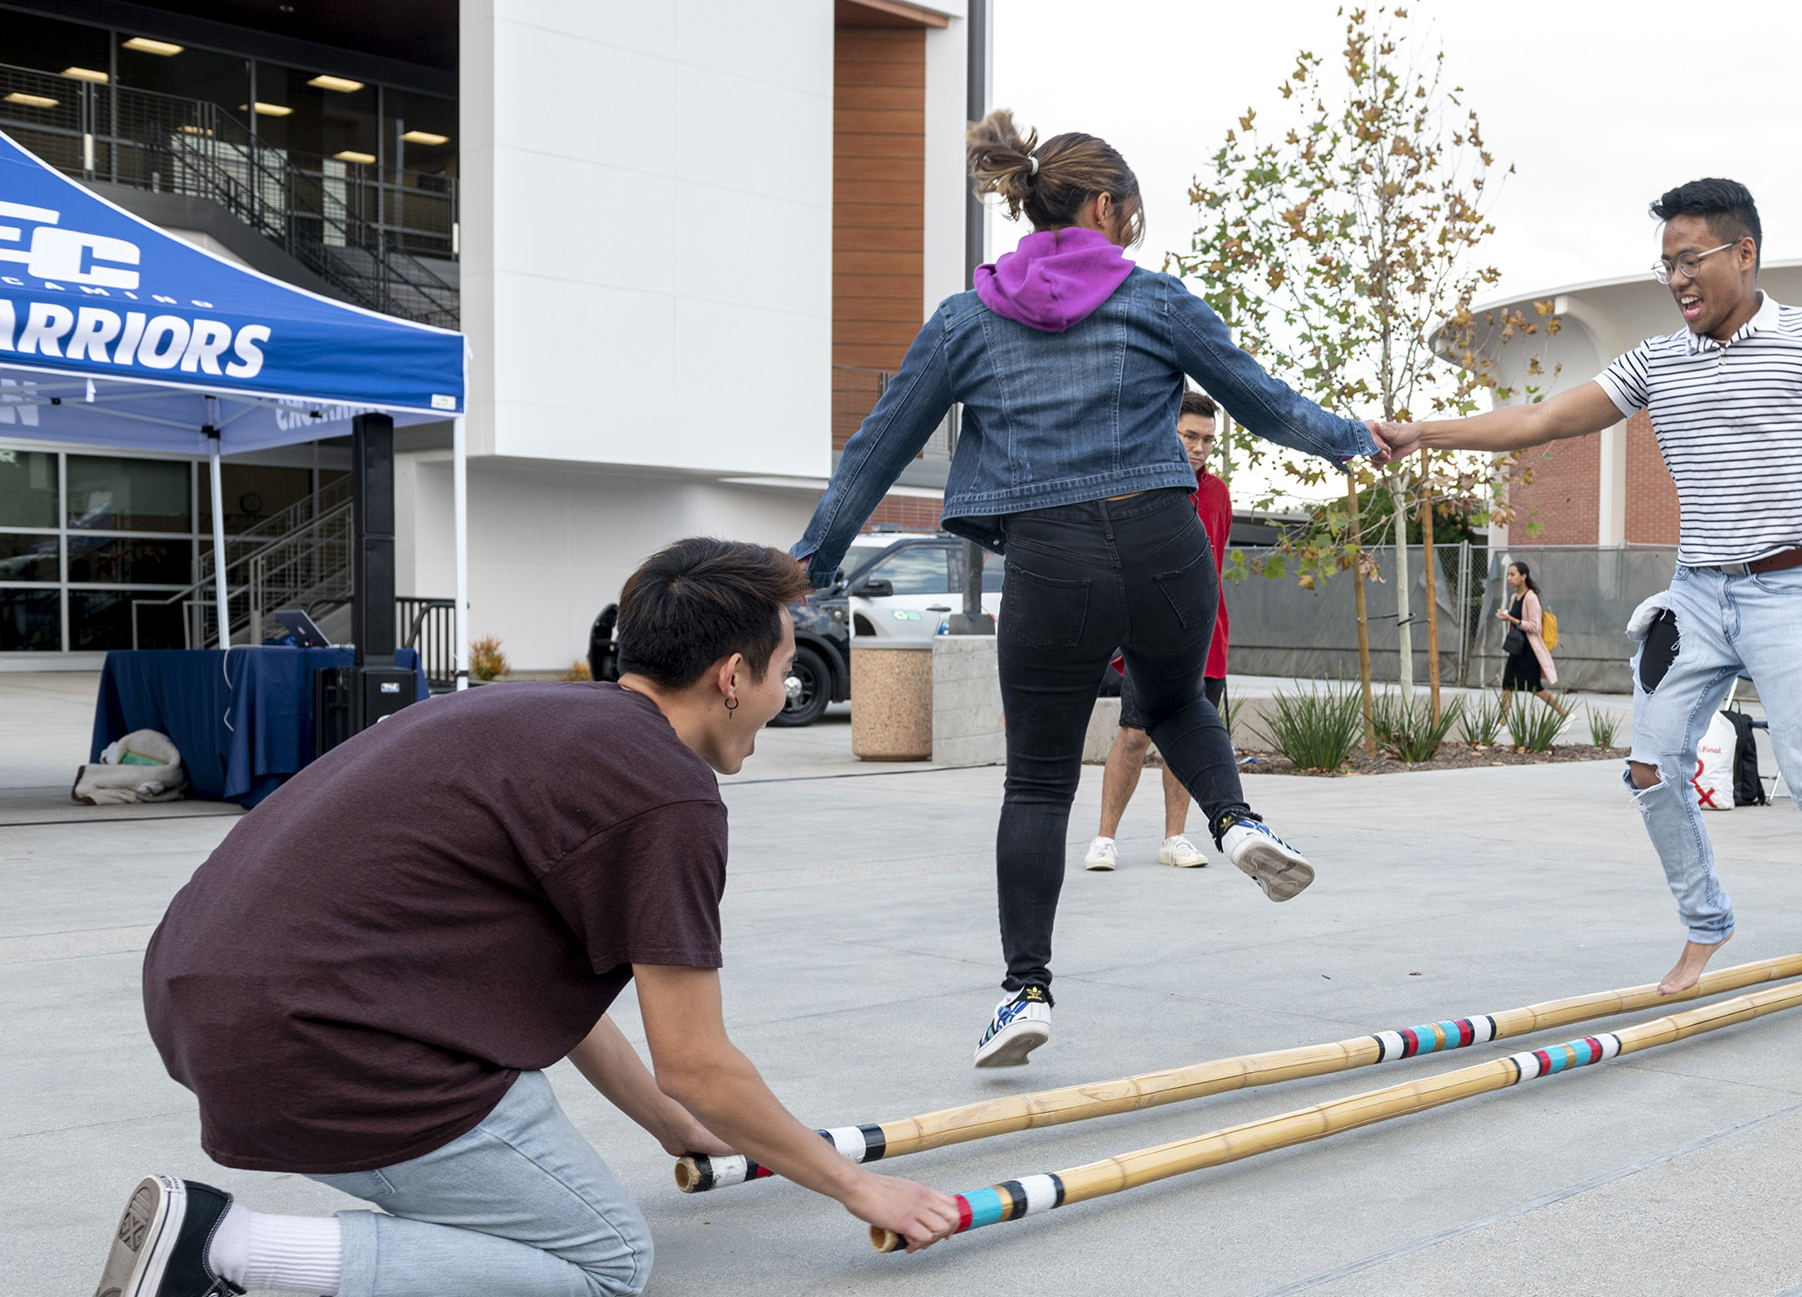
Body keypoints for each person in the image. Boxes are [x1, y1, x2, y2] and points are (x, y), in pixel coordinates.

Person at [100, 539, 959, 1297]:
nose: (785, 693)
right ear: (732, 676)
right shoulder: (665, 792)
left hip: (203, 1004)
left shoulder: (520, 713)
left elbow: (558, 994)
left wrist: (670, 1127)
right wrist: (856, 1186)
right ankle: (228, 1248)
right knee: (605, 1262)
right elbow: (696, 1063)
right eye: (782, 673)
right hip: (326, 1047)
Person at [790, 111, 1376, 1068]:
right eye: (1132, 214)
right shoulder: (1155, 302)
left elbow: (877, 448)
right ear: (1104, 206)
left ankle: (1025, 990)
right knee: (1176, 698)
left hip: (1053, 561)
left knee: (1037, 782)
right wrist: (1357, 437)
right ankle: (1236, 822)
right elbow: (1266, 407)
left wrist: (811, 563)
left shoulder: (965, 319)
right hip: (1162, 540)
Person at [1374, 177, 1802, 1056]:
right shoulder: (1658, 362)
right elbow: (1543, 420)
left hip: (1790, 592)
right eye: (1665, 265)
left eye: (1689, 260)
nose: (1677, 279)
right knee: (1652, 768)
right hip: (1696, 595)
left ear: (1743, 253)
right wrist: (1425, 431)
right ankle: (1707, 918)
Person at [1085, 392, 1235, 873]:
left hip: (1206, 639)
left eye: (1208, 440)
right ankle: (1105, 838)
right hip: (1149, 636)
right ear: (1166, 432)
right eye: (1189, 436)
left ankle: (1175, 837)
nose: (1199, 448)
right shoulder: (1139, 489)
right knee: (1134, 735)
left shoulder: (1218, 494)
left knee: (1187, 740)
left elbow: (1216, 564)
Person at [1496, 559, 1569, 718]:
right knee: (1507, 683)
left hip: (1529, 650)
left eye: (1513, 574)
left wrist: (1512, 620)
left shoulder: (1531, 598)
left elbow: (1535, 626)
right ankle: (1502, 721)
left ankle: (1565, 715)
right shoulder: (1515, 597)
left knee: (1535, 687)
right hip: (1517, 648)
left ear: (1523, 576)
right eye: (1508, 574)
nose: (1509, 578)